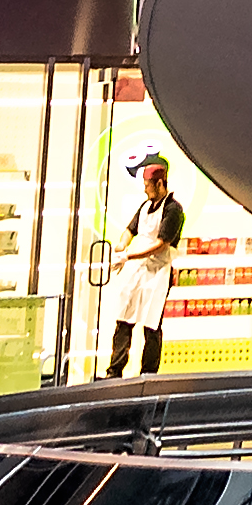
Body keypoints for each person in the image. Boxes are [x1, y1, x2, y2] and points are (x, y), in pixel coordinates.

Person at [96, 154, 186, 380]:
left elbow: (160, 244)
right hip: (138, 269)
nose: (145, 190)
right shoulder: (145, 206)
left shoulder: (173, 210)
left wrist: (129, 255)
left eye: (148, 185)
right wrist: (121, 245)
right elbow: (130, 230)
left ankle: (148, 374)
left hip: (159, 271)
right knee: (124, 317)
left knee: (151, 324)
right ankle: (114, 370)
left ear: (159, 183)